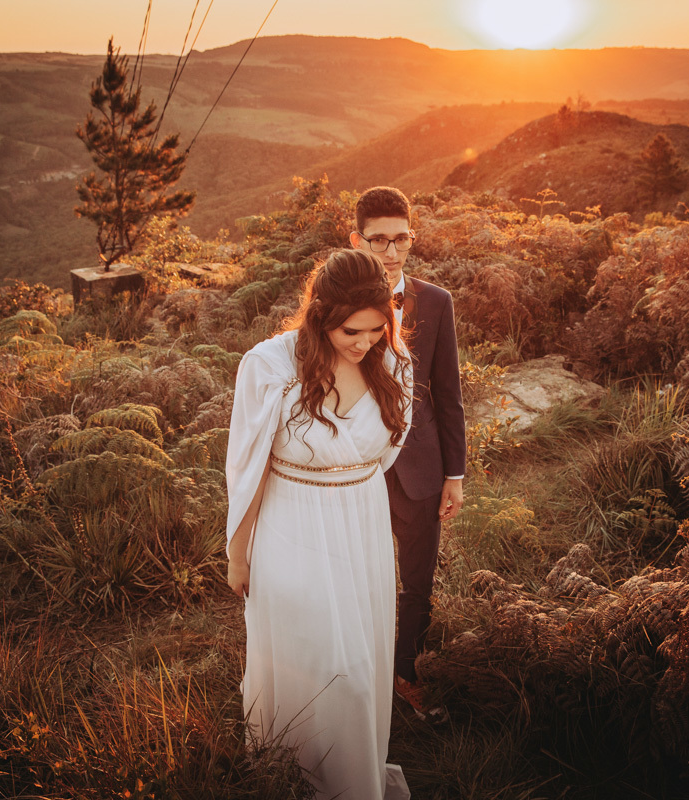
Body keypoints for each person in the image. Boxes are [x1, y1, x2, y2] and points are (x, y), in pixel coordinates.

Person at [225, 248, 413, 799]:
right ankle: (295, 775)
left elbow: (386, 451)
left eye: (377, 330)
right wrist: (239, 553)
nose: (364, 343)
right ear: (320, 314)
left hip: (363, 523)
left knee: (362, 658)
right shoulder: (269, 367)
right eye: (351, 331)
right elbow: (248, 467)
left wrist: (353, 489)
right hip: (293, 524)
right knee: (322, 661)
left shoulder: (393, 360)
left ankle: (354, 777)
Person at [350, 187, 466, 721]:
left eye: (401, 239)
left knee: (417, 580)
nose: (391, 251)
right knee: (357, 577)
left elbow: (448, 393)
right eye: (379, 240)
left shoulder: (437, 302)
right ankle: (356, 678)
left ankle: (406, 675)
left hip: (420, 469)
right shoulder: (339, 304)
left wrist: (454, 473)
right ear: (358, 240)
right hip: (354, 470)